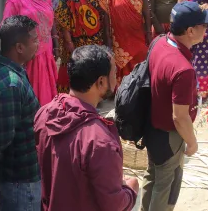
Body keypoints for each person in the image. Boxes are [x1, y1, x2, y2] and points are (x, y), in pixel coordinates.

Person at [35, 45, 138, 211]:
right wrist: (131, 190)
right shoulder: (99, 141)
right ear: (101, 82)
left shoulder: (44, 114)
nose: (117, 78)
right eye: (114, 73)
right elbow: (114, 205)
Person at [143, 1, 208, 211]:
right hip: (169, 134)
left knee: (153, 175)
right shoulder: (183, 69)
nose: (207, 28)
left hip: (151, 126)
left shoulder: (160, 42)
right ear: (190, 31)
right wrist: (192, 142)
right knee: (166, 185)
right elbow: (180, 117)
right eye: (204, 25)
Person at [0, 15, 41, 211]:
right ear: (19, 47)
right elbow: (3, 138)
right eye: (35, 40)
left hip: (10, 173)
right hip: (21, 174)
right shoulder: (11, 85)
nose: (38, 44)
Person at [3, 0, 58, 105]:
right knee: (33, 87)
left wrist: (56, 43)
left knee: (48, 86)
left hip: (46, 49)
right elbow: (6, 26)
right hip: (28, 53)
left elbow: (52, 20)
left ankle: (47, 114)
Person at [100, 0, 151, 84]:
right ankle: (124, 91)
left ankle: (139, 87)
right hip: (119, 36)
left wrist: (149, 33)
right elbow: (106, 15)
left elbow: (146, 12)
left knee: (140, 57)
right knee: (122, 64)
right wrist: (108, 37)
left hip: (137, 33)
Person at [55, 0, 105, 93]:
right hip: (75, 40)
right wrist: (68, 41)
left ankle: (91, 96)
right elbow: (63, 19)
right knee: (76, 67)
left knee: (91, 67)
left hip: (93, 39)